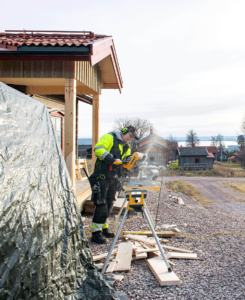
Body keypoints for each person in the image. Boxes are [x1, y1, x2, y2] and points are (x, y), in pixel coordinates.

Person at [89, 125, 139, 244]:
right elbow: (98, 149)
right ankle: (95, 233)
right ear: (124, 132)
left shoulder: (126, 146)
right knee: (101, 204)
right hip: (101, 177)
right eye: (130, 136)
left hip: (113, 178)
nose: (130, 139)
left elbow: (124, 161)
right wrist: (111, 159)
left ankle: (104, 228)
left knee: (110, 202)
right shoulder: (109, 137)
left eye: (132, 138)